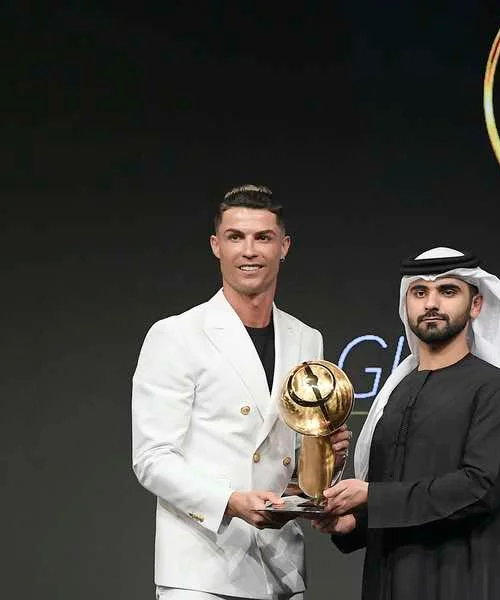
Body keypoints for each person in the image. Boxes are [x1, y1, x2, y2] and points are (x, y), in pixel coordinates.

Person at [131, 184, 350, 599]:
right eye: (236, 237)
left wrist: (327, 460)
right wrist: (230, 501)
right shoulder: (177, 335)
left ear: (284, 247)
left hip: (281, 567)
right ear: (216, 246)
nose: (249, 251)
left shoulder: (306, 338)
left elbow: (293, 468)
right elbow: (152, 458)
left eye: (263, 237)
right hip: (202, 570)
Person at [315, 246, 500, 600]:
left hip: (461, 585)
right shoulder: (396, 392)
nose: (431, 303)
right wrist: (351, 523)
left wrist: (371, 497)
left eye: (447, 291)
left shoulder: (497, 389)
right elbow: (394, 492)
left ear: (476, 304)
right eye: (419, 292)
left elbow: (481, 488)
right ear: (406, 304)